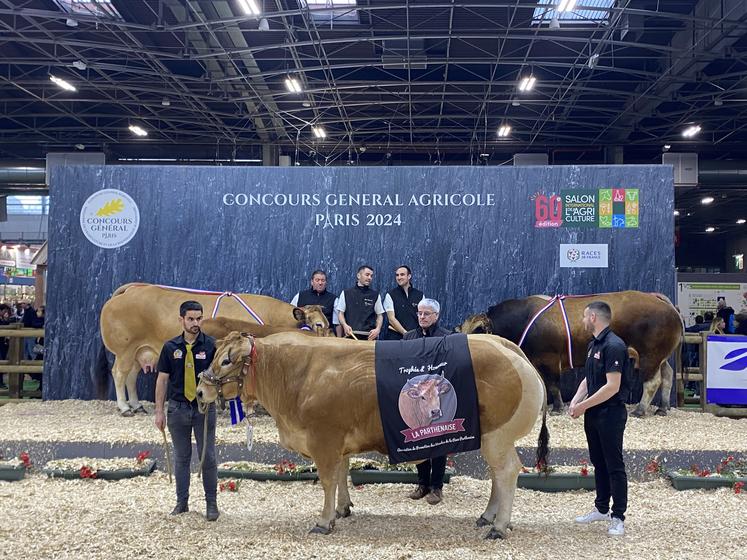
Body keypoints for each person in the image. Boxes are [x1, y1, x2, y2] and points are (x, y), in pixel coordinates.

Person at [154, 301, 219, 521]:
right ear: (181, 319)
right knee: (182, 457)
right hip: (177, 409)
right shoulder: (170, 347)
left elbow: (218, 377)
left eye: (199, 318)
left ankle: (212, 504)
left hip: (203, 409)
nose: (195, 323)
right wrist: (159, 412)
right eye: (191, 319)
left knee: (207, 456)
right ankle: (182, 503)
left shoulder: (211, 345)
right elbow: (162, 380)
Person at [569, 301, 629, 537]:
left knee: (614, 465)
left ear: (593, 317)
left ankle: (618, 516)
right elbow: (588, 379)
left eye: (585, 317)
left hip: (610, 413)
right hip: (593, 413)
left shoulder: (614, 345)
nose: (583, 321)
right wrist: (575, 401)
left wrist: (582, 406)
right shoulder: (594, 344)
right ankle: (601, 508)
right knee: (598, 462)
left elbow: (612, 387)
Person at [403, 298, 451, 506]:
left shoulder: (448, 338)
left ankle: (436, 487)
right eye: (420, 313)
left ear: (436, 316)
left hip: (438, 399)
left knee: (439, 443)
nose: (421, 317)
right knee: (418, 440)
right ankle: (422, 484)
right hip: (418, 400)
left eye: (426, 314)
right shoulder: (408, 337)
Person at [337, 265, 384, 340]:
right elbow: (340, 313)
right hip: (351, 336)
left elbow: (380, 315)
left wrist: (377, 329)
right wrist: (344, 325)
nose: (369, 278)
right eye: (367, 275)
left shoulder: (375, 295)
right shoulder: (346, 293)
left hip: (369, 337)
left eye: (371, 276)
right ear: (358, 275)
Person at [290, 270, 339, 335]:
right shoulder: (300, 296)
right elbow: (290, 317)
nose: (320, 283)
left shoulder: (334, 299)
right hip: (301, 337)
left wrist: (339, 338)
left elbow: (337, 323)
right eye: (317, 280)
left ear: (326, 283)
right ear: (312, 282)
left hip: (324, 338)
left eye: (323, 280)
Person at [382, 265, 423, 340]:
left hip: (415, 338)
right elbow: (391, 319)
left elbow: (423, 317)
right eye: (397, 275)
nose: (399, 277)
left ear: (409, 276)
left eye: (402, 274)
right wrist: (406, 334)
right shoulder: (390, 295)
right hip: (395, 338)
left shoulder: (420, 295)